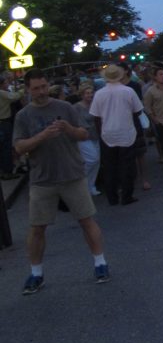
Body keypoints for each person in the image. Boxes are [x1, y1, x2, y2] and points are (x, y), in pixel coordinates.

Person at [13, 69, 110, 294]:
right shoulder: (23, 116)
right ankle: (36, 273)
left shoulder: (64, 108)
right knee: (37, 228)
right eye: (36, 88)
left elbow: (84, 134)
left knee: (87, 220)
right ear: (27, 89)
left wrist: (69, 129)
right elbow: (19, 147)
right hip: (42, 179)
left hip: (72, 174)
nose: (41, 92)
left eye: (44, 86)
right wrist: (42, 136)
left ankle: (100, 263)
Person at [89, 63, 144, 206]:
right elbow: (138, 111)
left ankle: (112, 197)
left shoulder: (99, 94)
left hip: (107, 133)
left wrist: (101, 132)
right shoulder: (128, 91)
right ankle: (127, 196)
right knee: (127, 166)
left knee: (110, 167)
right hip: (126, 131)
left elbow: (96, 116)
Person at [74, 83, 101, 195]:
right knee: (92, 159)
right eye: (87, 93)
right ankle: (81, 184)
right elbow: (79, 123)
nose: (90, 95)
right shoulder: (76, 107)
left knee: (97, 161)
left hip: (96, 135)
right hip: (84, 138)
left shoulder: (95, 104)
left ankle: (91, 186)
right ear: (82, 95)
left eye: (91, 92)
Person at [0, 72, 23, 179]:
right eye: (5, 82)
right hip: (3, 122)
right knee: (6, 147)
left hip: (4, 122)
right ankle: (7, 171)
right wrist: (23, 90)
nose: (7, 84)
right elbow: (14, 96)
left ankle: (4, 170)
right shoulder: (1, 93)